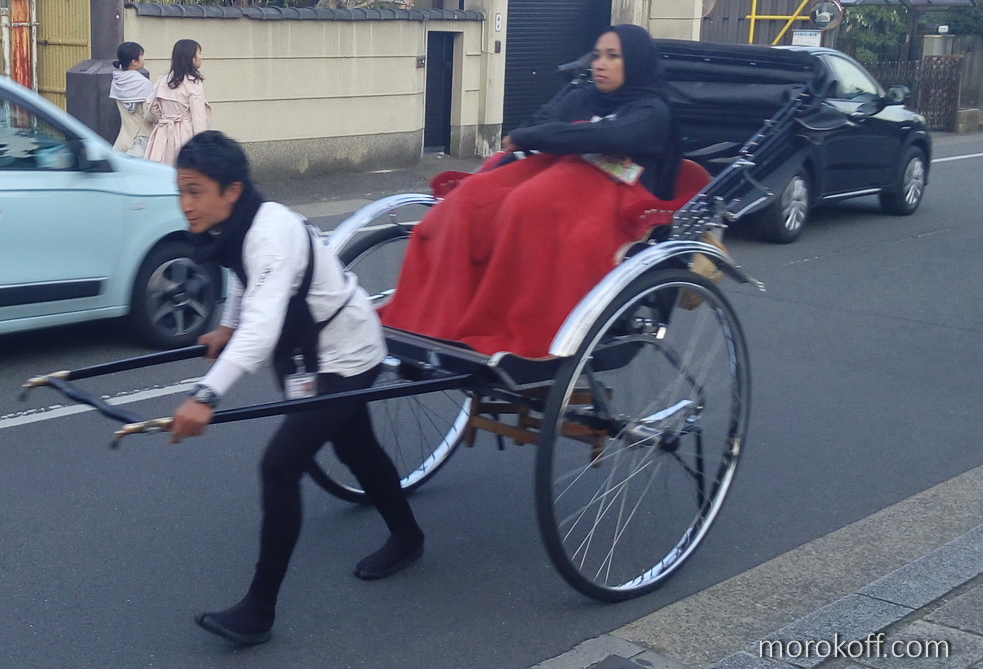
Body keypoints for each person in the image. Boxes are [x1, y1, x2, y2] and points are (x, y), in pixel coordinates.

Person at [168, 131, 425, 645]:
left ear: (231, 191)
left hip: (346, 354)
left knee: (280, 465)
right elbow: (244, 278)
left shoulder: (268, 234)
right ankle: (408, 536)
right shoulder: (240, 225)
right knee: (356, 446)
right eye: (182, 191)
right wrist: (226, 325)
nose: (186, 204)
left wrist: (205, 396)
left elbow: (260, 330)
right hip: (309, 351)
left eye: (195, 191)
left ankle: (258, 610)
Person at [379, 24, 697, 358]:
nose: (599, 64)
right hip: (559, 179)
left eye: (612, 56)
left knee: (528, 204)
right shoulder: (584, 97)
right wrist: (554, 135)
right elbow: (536, 125)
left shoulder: (652, 111)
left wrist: (552, 135)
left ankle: (508, 326)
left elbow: (607, 136)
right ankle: (436, 317)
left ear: (635, 61)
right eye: (597, 55)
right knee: (471, 198)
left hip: (618, 203)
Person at [144, 39, 212, 166]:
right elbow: (198, 119)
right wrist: (203, 146)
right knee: (182, 170)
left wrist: (163, 118)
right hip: (185, 134)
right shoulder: (193, 83)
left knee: (162, 169)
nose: (201, 57)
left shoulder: (163, 80)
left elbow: (150, 104)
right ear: (191, 58)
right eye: (199, 53)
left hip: (163, 133)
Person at [109, 41, 154, 157]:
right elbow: (149, 116)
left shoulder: (117, 81)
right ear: (134, 61)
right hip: (142, 142)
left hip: (122, 141)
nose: (144, 58)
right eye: (141, 55)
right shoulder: (144, 84)